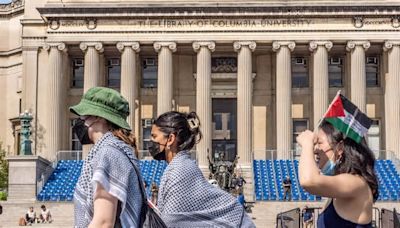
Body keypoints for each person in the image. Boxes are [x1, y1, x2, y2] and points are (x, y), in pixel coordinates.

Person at [150, 111, 255, 227]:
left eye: (154, 136)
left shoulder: (180, 171)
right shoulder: (180, 165)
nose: (151, 141)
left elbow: (171, 221)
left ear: (170, 139)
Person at [70, 87, 143, 227]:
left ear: (99, 117)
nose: (80, 120)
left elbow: (103, 222)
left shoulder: (108, 153)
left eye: (83, 115)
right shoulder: (116, 150)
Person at [297, 119, 378, 228]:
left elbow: (308, 180)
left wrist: (307, 143)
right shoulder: (340, 186)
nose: (315, 149)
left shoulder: (355, 182)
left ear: (339, 148)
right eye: (314, 144)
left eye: (319, 143)